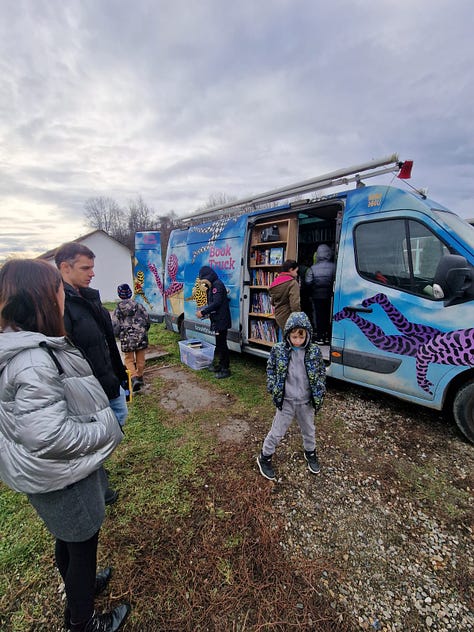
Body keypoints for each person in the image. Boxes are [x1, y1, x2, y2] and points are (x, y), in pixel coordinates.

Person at [0, 259, 130, 632]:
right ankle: (83, 622)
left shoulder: (24, 346)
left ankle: (82, 590)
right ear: (42, 296)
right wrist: (105, 428)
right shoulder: (33, 361)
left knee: (69, 540)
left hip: (51, 476)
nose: (64, 294)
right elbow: (48, 435)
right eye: (58, 287)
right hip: (63, 479)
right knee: (82, 546)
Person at [55, 243, 129, 430]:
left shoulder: (89, 298)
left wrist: (120, 377)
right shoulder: (60, 307)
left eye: (92, 268)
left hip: (111, 385)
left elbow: (107, 343)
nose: (92, 274)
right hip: (91, 396)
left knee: (116, 430)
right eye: (85, 268)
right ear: (65, 268)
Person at [257, 311, 326, 481]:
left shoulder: (314, 351)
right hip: (286, 401)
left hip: (306, 401)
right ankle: (264, 457)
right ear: (288, 334)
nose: (297, 341)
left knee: (309, 430)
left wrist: (320, 389)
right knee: (277, 431)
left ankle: (310, 452)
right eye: (293, 337)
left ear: (307, 335)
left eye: (300, 337)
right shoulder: (278, 350)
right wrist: (273, 387)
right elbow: (271, 369)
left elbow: (320, 372)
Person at [112, 283, 150, 393]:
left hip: (126, 338)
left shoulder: (118, 308)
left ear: (120, 295)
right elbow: (147, 319)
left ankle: (133, 378)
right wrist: (144, 330)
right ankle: (140, 377)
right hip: (140, 336)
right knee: (141, 359)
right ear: (130, 293)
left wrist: (118, 335)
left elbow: (115, 325)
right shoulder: (139, 305)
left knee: (129, 359)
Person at [195, 265, 232, 379]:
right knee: (219, 344)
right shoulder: (213, 286)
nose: (203, 283)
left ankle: (225, 369)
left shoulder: (217, 285)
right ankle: (220, 365)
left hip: (221, 320)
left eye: (203, 280)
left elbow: (217, 303)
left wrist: (203, 311)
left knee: (222, 344)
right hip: (217, 319)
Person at [305, 244, 336, 344]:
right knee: (329, 316)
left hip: (316, 296)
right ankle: (328, 336)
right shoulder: (335, 266)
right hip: (330, 296)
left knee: (318, 316)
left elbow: (308, 282)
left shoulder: (312, 268)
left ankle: (319, 337)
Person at [268, 259, 301, 332]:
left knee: (286, 336)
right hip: (288, 315)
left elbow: (272, 302)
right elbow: (295, 304)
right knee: (292, 338)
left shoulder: (276, 281)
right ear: (291, 270)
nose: (297, 274)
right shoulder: (292, 283)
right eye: (296, 271)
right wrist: (298, 318)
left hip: (278, 315)